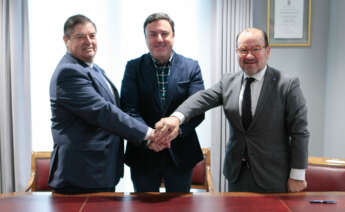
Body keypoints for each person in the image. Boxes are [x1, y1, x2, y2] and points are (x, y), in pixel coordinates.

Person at [155, 28, 310, 193]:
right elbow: (201, 99)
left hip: (273, 176)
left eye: (256, 49)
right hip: (237, 175)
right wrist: (176, 118)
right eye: (243, 50)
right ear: (237, 52)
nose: (249, 56)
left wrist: (298, 175)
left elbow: (300, 132)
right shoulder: (228, 82)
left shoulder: (287, 84)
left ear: (267, 51)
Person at [48, 14, 161, 194]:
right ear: (66, 40)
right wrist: (149, 134)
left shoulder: (94, 69)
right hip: (81, 173)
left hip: (100, 170)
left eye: (92, 35)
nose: (88, 41)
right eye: (80, 37)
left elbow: (115, 109)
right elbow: (104, 112)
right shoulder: (68, 72)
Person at [120, 13, 205, 192]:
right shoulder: (133, 68)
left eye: (164, 33)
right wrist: (149, 136)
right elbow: (129, 109)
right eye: (153, 34)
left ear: (173, 35)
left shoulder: (191, 67)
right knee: (143, 207)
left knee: (180, 208)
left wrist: (176, 132)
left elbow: (197, 108)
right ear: (145, 38)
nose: (159, 39)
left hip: (181, 153)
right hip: (143, 152)